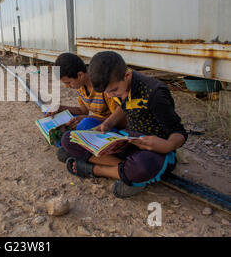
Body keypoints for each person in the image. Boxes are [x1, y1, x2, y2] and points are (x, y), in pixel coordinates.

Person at [62, 51, 188, 198]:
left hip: (154, 149)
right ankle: (124, 170)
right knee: (68, 139)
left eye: (113, 90)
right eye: (106, 92)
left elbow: (179, 133)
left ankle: (97, 169)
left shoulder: (155, 93)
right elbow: (125, 106)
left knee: (142, 165)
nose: (110, 96)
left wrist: (165, 145)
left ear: (127, 75)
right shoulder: (119, 88)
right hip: (128, 139)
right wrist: (108, 124)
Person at [47, 53, 126, 163]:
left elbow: (120, 121)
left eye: (68, 82)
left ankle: (69, 146)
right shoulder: (80, 87)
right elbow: (82, 111)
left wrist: (86, 118)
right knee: (52, 113)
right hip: (92, 124)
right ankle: (69, 143)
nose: (67, 86)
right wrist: (60, 108)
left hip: (108, 127)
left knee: (86, 122)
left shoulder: (102, 87)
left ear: (80, 75)